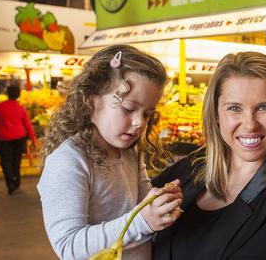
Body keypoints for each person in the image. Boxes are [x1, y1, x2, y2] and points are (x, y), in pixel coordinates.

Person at [152, 52, 266, 259]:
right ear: (216, 115)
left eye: (263, 107)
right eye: (234, 108)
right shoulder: (188, 169)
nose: (250, 124)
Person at [37, 45, 183, 260]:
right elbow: (68, 246)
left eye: (147, 114)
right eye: (127, 108)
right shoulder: (68, 161)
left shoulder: (130, 153)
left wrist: (161, 205)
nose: (138, 123)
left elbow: (142, 208)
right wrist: (142, 221)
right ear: (90, 100)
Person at [0, 84, 37, 194]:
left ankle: (10, 181)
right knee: (17, 160)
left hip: (3, 139)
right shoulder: (20, 107)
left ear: (7, 94)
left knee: (5, 161)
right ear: (18, 95)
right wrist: (33, 137)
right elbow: (27, 124)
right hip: (19, 137)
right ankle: (16, 181)